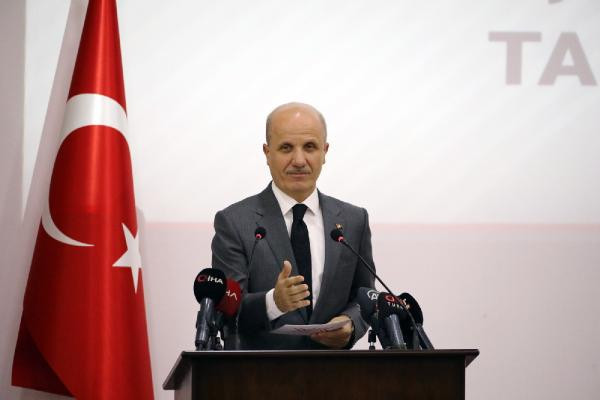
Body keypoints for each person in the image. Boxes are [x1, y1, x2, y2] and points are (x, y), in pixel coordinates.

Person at [211, 102, 375, 349]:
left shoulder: (354, 220)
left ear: (325, 151)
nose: (299, 160)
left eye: (310, 147)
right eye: (286, 148)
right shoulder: (235, 222)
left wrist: (350, 324)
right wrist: (273, 303)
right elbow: (226, 310)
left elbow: (366, 296)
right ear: (267, 153)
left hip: (335, 370)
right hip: (259, 370)